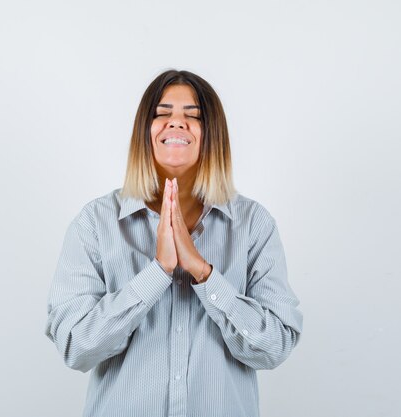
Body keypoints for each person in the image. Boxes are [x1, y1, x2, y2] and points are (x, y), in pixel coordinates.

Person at [44, 69, 303, 417]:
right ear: (143, 132)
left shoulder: (254, 225)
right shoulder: (95, 223)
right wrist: (158, 272)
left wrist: (203, 273)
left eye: (193, 116)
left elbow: (276, 346)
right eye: (162, 114)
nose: (176, 124)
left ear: (212, 135)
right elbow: (76, 347)